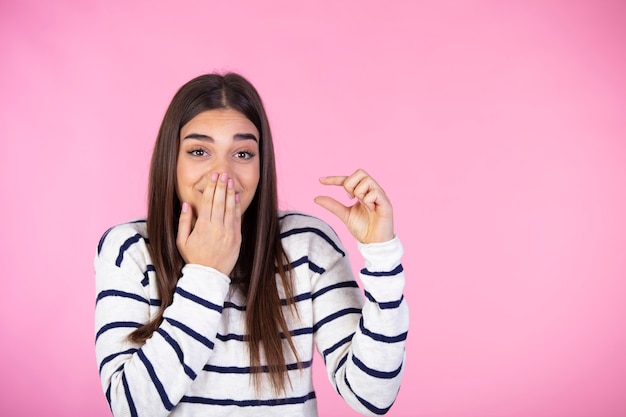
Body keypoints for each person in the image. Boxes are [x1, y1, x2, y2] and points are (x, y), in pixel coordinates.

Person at [94, 72, 409, 417]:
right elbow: (130, 407)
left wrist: (382, 256)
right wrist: (206, 273)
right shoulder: (130, 250)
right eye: (199, 151)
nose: (221, 174)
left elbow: (372, 396)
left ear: (262, 165)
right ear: (171, 161)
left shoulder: (308, 247)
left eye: (242, 154)